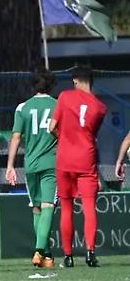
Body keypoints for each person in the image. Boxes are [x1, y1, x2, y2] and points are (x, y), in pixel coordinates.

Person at [49, 64, 107, 267]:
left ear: (75, 81)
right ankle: (90, 253)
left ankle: (68, 256)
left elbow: (52, 127)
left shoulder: (65, 96)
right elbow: (93, 137)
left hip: (64, 159)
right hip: (86, 159)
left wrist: (63, 137)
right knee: (89, 207)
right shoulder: (101, 108)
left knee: (66, 207)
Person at [7, 68, 58, 269]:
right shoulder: (57, 105)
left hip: (31, 164)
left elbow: (16, 137)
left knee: (37, 208)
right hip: (51, 164)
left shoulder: (23, 107)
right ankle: (39, 250)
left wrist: (10, 165)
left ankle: (46, 255)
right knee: (48, 207)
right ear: (51, 85)